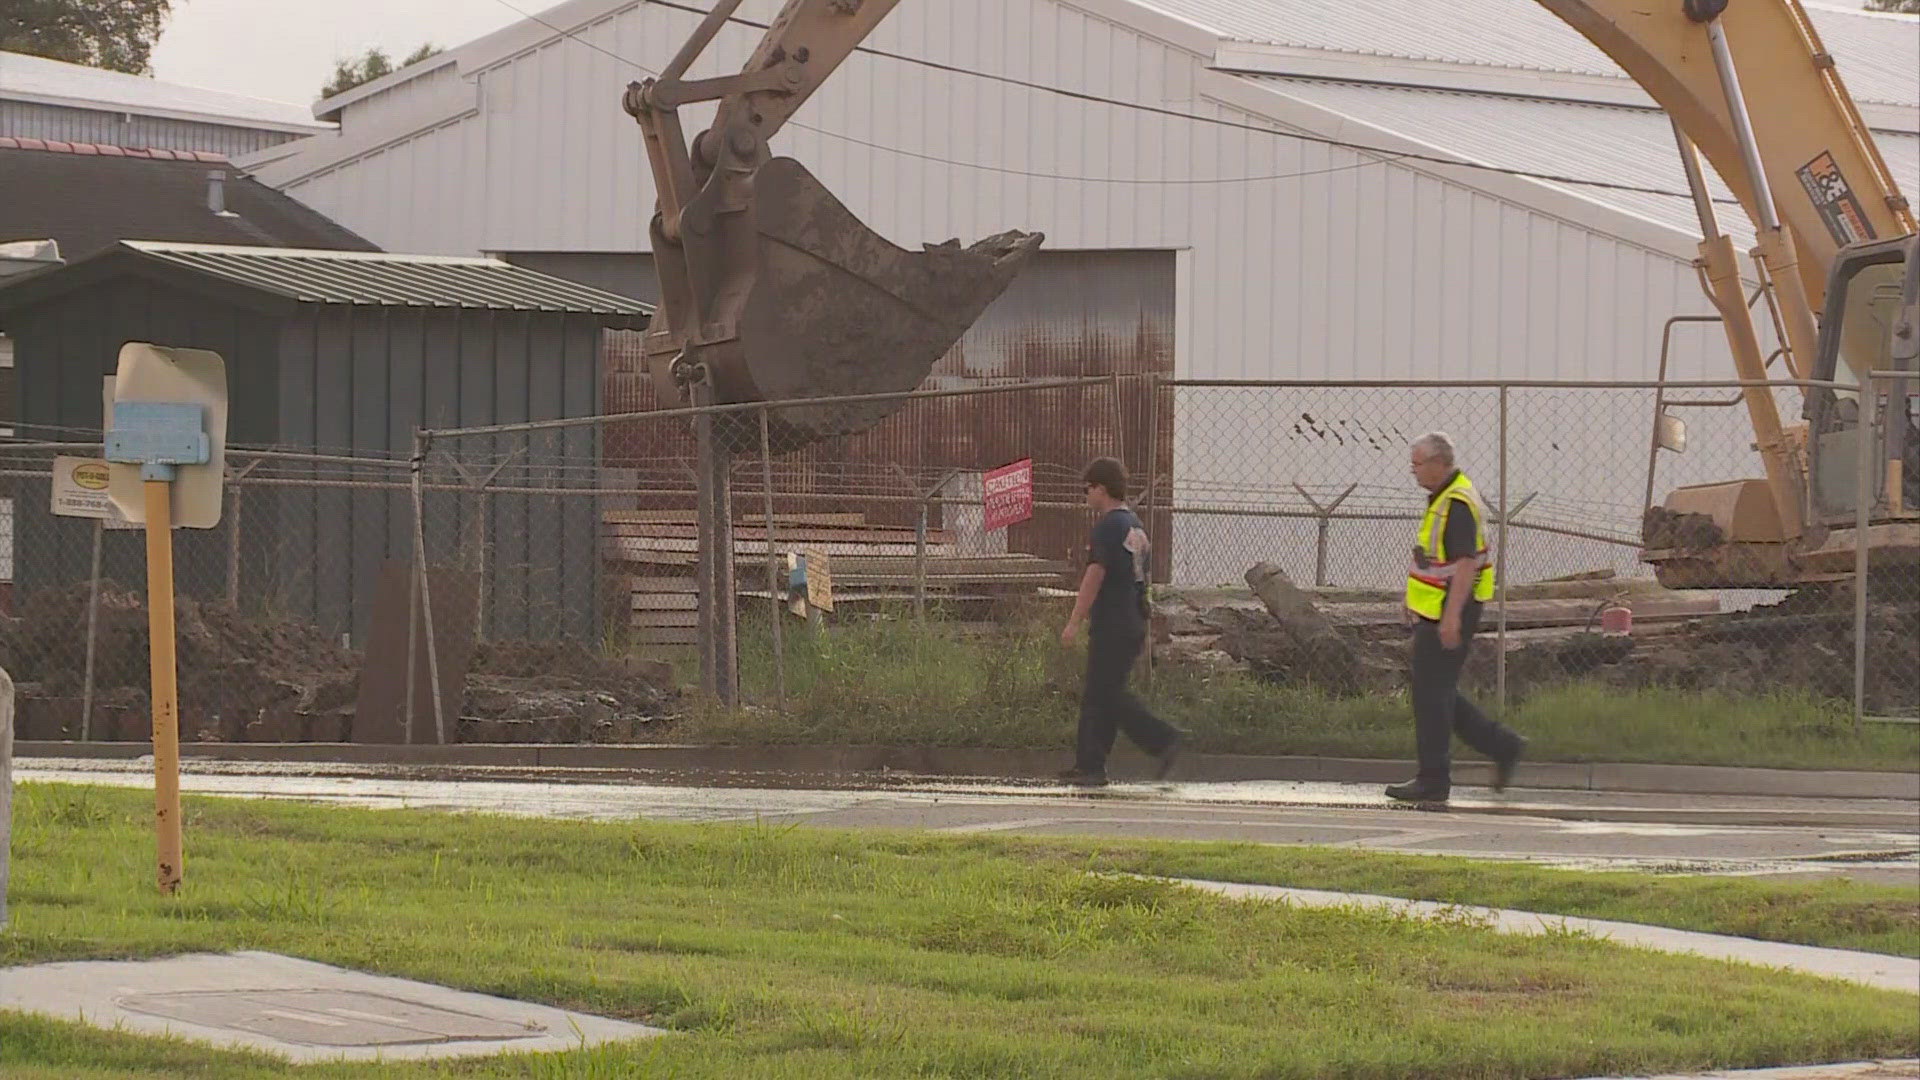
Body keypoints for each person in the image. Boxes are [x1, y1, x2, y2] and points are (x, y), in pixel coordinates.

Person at [1386, 432, 1527, 803]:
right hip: (1438, 608)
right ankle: (1502, 745)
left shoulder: (1458, 502)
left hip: (1454, 609)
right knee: (1436, 691)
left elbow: (1465, 565)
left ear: (1438, 463)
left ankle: (1434, 779)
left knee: (1431, 694)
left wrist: (1451, 618)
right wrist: (1411, 597)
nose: (1413, 471)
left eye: (1417, 464)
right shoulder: (1443, 497)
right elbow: (1434, 560)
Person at [1058, 457, 1183, 787]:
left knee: (1107, 694)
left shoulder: (1109, 526)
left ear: (1101, 488)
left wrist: (1074, 621)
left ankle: (1162, 739)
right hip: (1131, 619)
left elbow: (1094, 575)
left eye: (1088, 489)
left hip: (1113, 621)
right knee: (1100, 693)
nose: (1086, 496)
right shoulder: (1135, 526)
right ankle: (1090, 764)